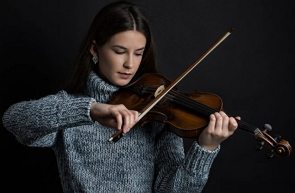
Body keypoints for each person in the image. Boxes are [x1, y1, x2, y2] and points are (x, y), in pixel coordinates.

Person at [2, 1, 239, 192]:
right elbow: (14, 119)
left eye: (138, 53)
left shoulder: (159, 114)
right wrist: (91, 110)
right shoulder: (68, 109)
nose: (130, 64)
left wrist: (205, 149)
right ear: (95, 49)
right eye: (119, 51)